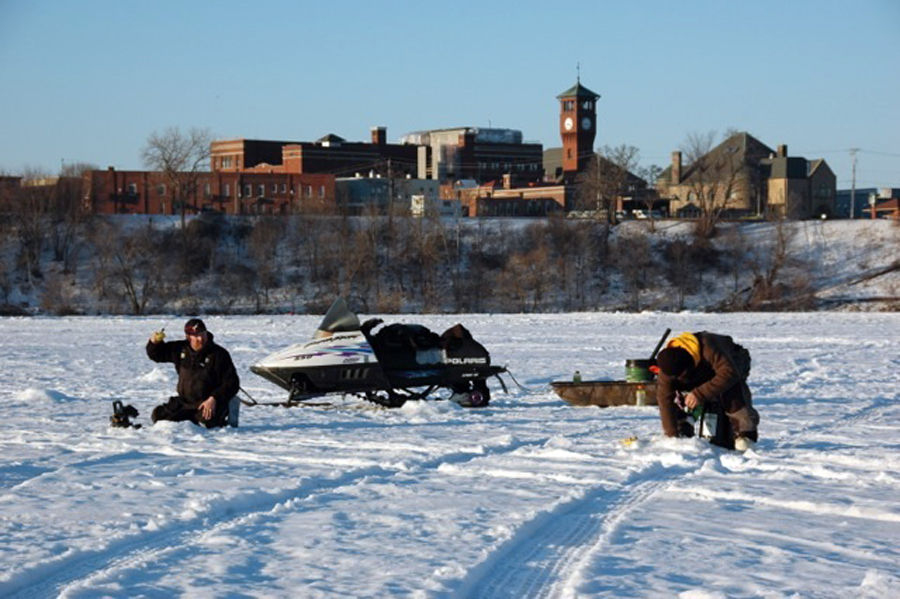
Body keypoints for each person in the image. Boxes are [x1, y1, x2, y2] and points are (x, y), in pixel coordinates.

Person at [654, 331, 759, 451]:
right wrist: (672, 435)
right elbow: (664, 401)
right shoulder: (667, 370)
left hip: (734, 362)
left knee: (731, 391)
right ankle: (683, 427)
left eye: (683, 375)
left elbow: (729, 373)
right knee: (679, 396)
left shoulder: (709, 347)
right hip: (701, 371)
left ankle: (745, 435)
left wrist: (699, 393)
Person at [146, 318, 240, 428]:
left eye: (202, 334)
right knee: (159, 417)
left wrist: (214, 398)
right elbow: (156, 355)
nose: (200, 338)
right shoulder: (180, 349)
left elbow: (232, 383)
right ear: (188, 337)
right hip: (185, 402)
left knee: (206, 422)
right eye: (196, 336)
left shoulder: (219, 354)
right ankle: (189, 416)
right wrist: (154, 342)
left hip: (208, 402)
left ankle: (228, 406)